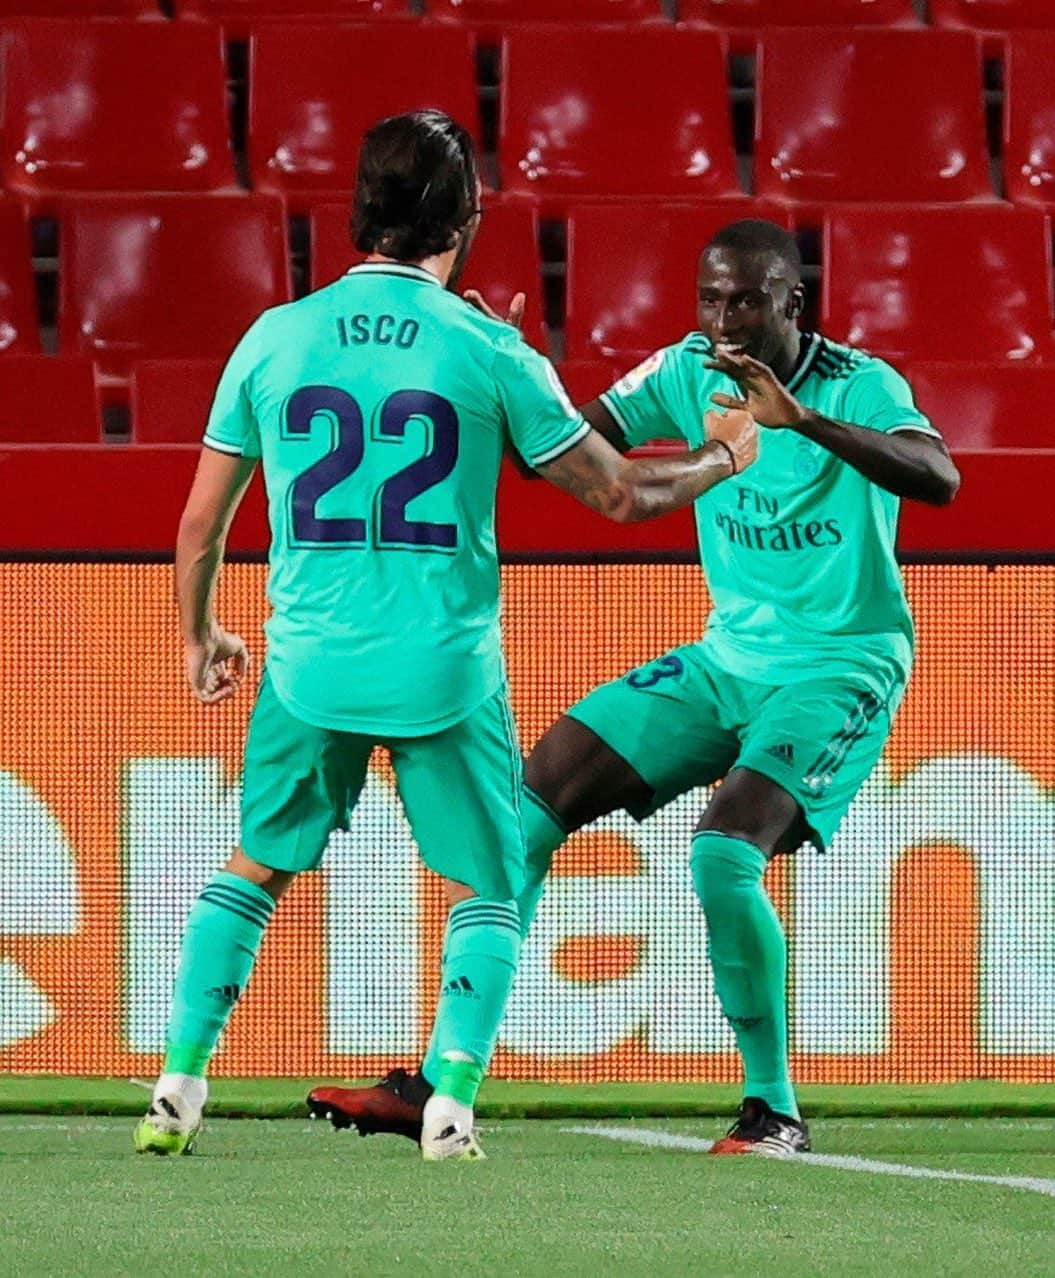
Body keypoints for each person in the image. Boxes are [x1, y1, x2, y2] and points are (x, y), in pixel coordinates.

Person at [133, 111, 759, 1162]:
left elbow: (200, 525)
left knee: (254, 868)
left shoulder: (274, 337)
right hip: (444, 671)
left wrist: (200, 635)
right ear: (464, 223)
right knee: (490, 884)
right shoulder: (486, 348)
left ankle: (179, 1081)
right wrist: (725, 456)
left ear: (354, 217)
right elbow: (613, 493)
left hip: (308, 667)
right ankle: (452, 1104)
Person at [311, 218, 960, 1156]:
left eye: (745, 299)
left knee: (721, 857)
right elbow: (564, 450)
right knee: (525, 805)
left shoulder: (860, 383)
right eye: (709, 298)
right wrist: (509, 366)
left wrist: (803, 421)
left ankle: (772, 1109)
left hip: (838, 664)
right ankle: (444, 1079)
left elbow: (939, 478)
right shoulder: (684, 372)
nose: (724, 318)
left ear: (792, 301)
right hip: (723, 659)